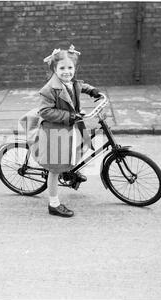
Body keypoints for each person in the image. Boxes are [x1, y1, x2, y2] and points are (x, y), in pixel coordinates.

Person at [28, 45, 102, 218]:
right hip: (54, 131)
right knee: (54, 169)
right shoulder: (49, 89)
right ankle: (53, 204)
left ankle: (69, 169)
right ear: (55, 69)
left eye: (70, 68)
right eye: (62, 68)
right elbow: (45, 112)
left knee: (80, 145)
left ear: (74, 69)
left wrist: (92, 90)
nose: (67, 71)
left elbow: (79, 86)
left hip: (68, 127)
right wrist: (70, 116)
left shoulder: (71, 82)